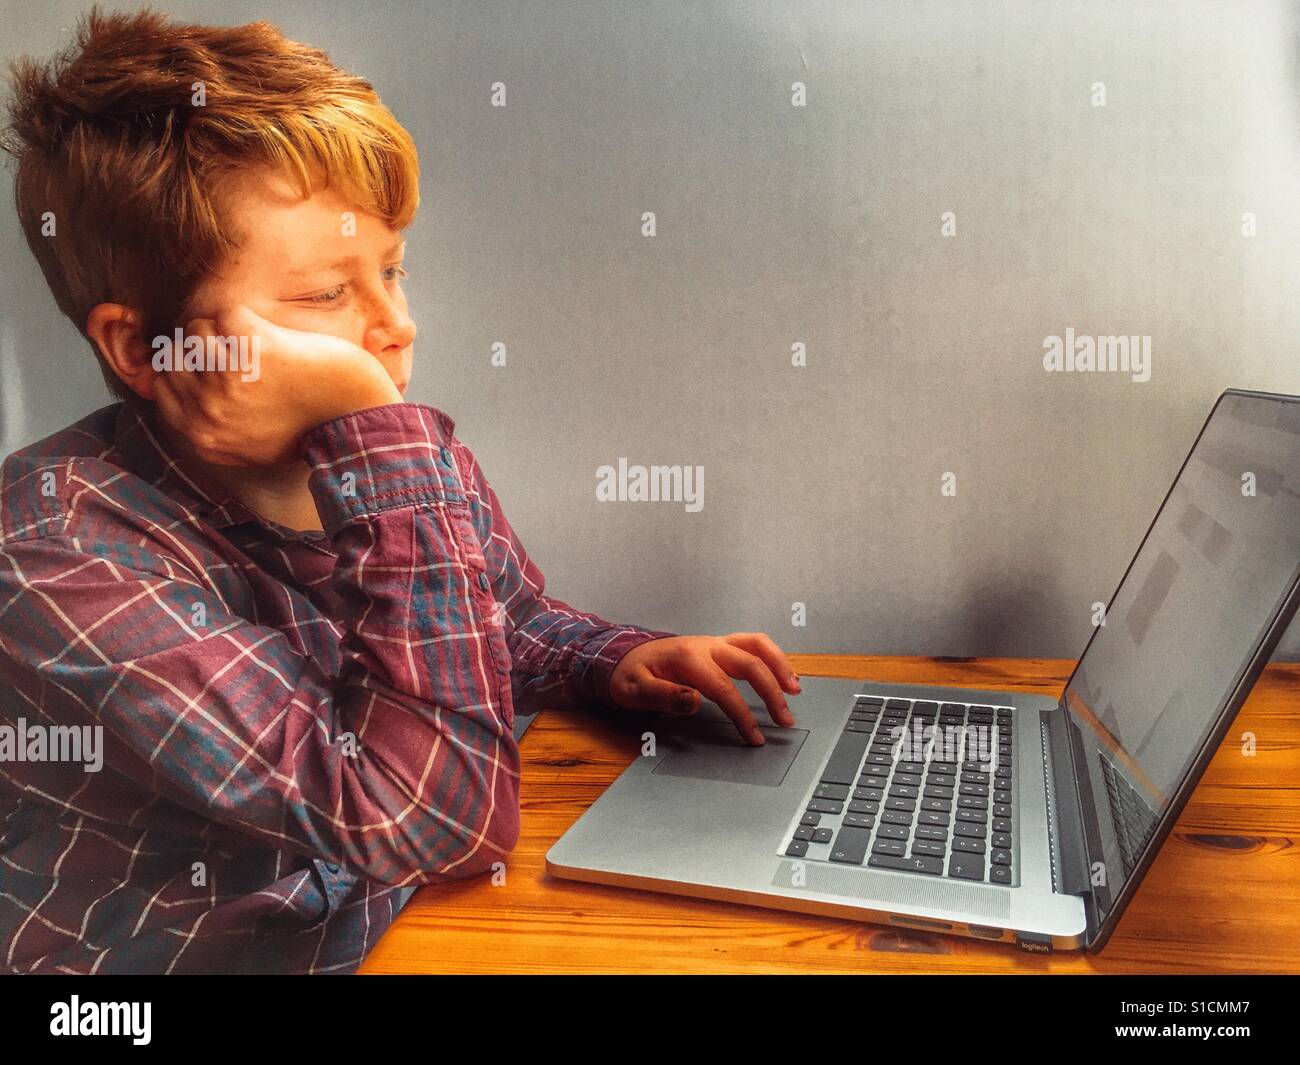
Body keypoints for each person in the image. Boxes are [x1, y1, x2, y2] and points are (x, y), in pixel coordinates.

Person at [0, 8, 800, 973]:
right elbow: (428, 817)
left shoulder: (400, 461)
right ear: (145, 347)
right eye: (324, 294)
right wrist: (377, 431)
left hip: (402, 931)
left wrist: (614, 659)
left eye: (392, 271)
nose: (395, 328)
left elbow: (505, 625)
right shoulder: (56, 547)